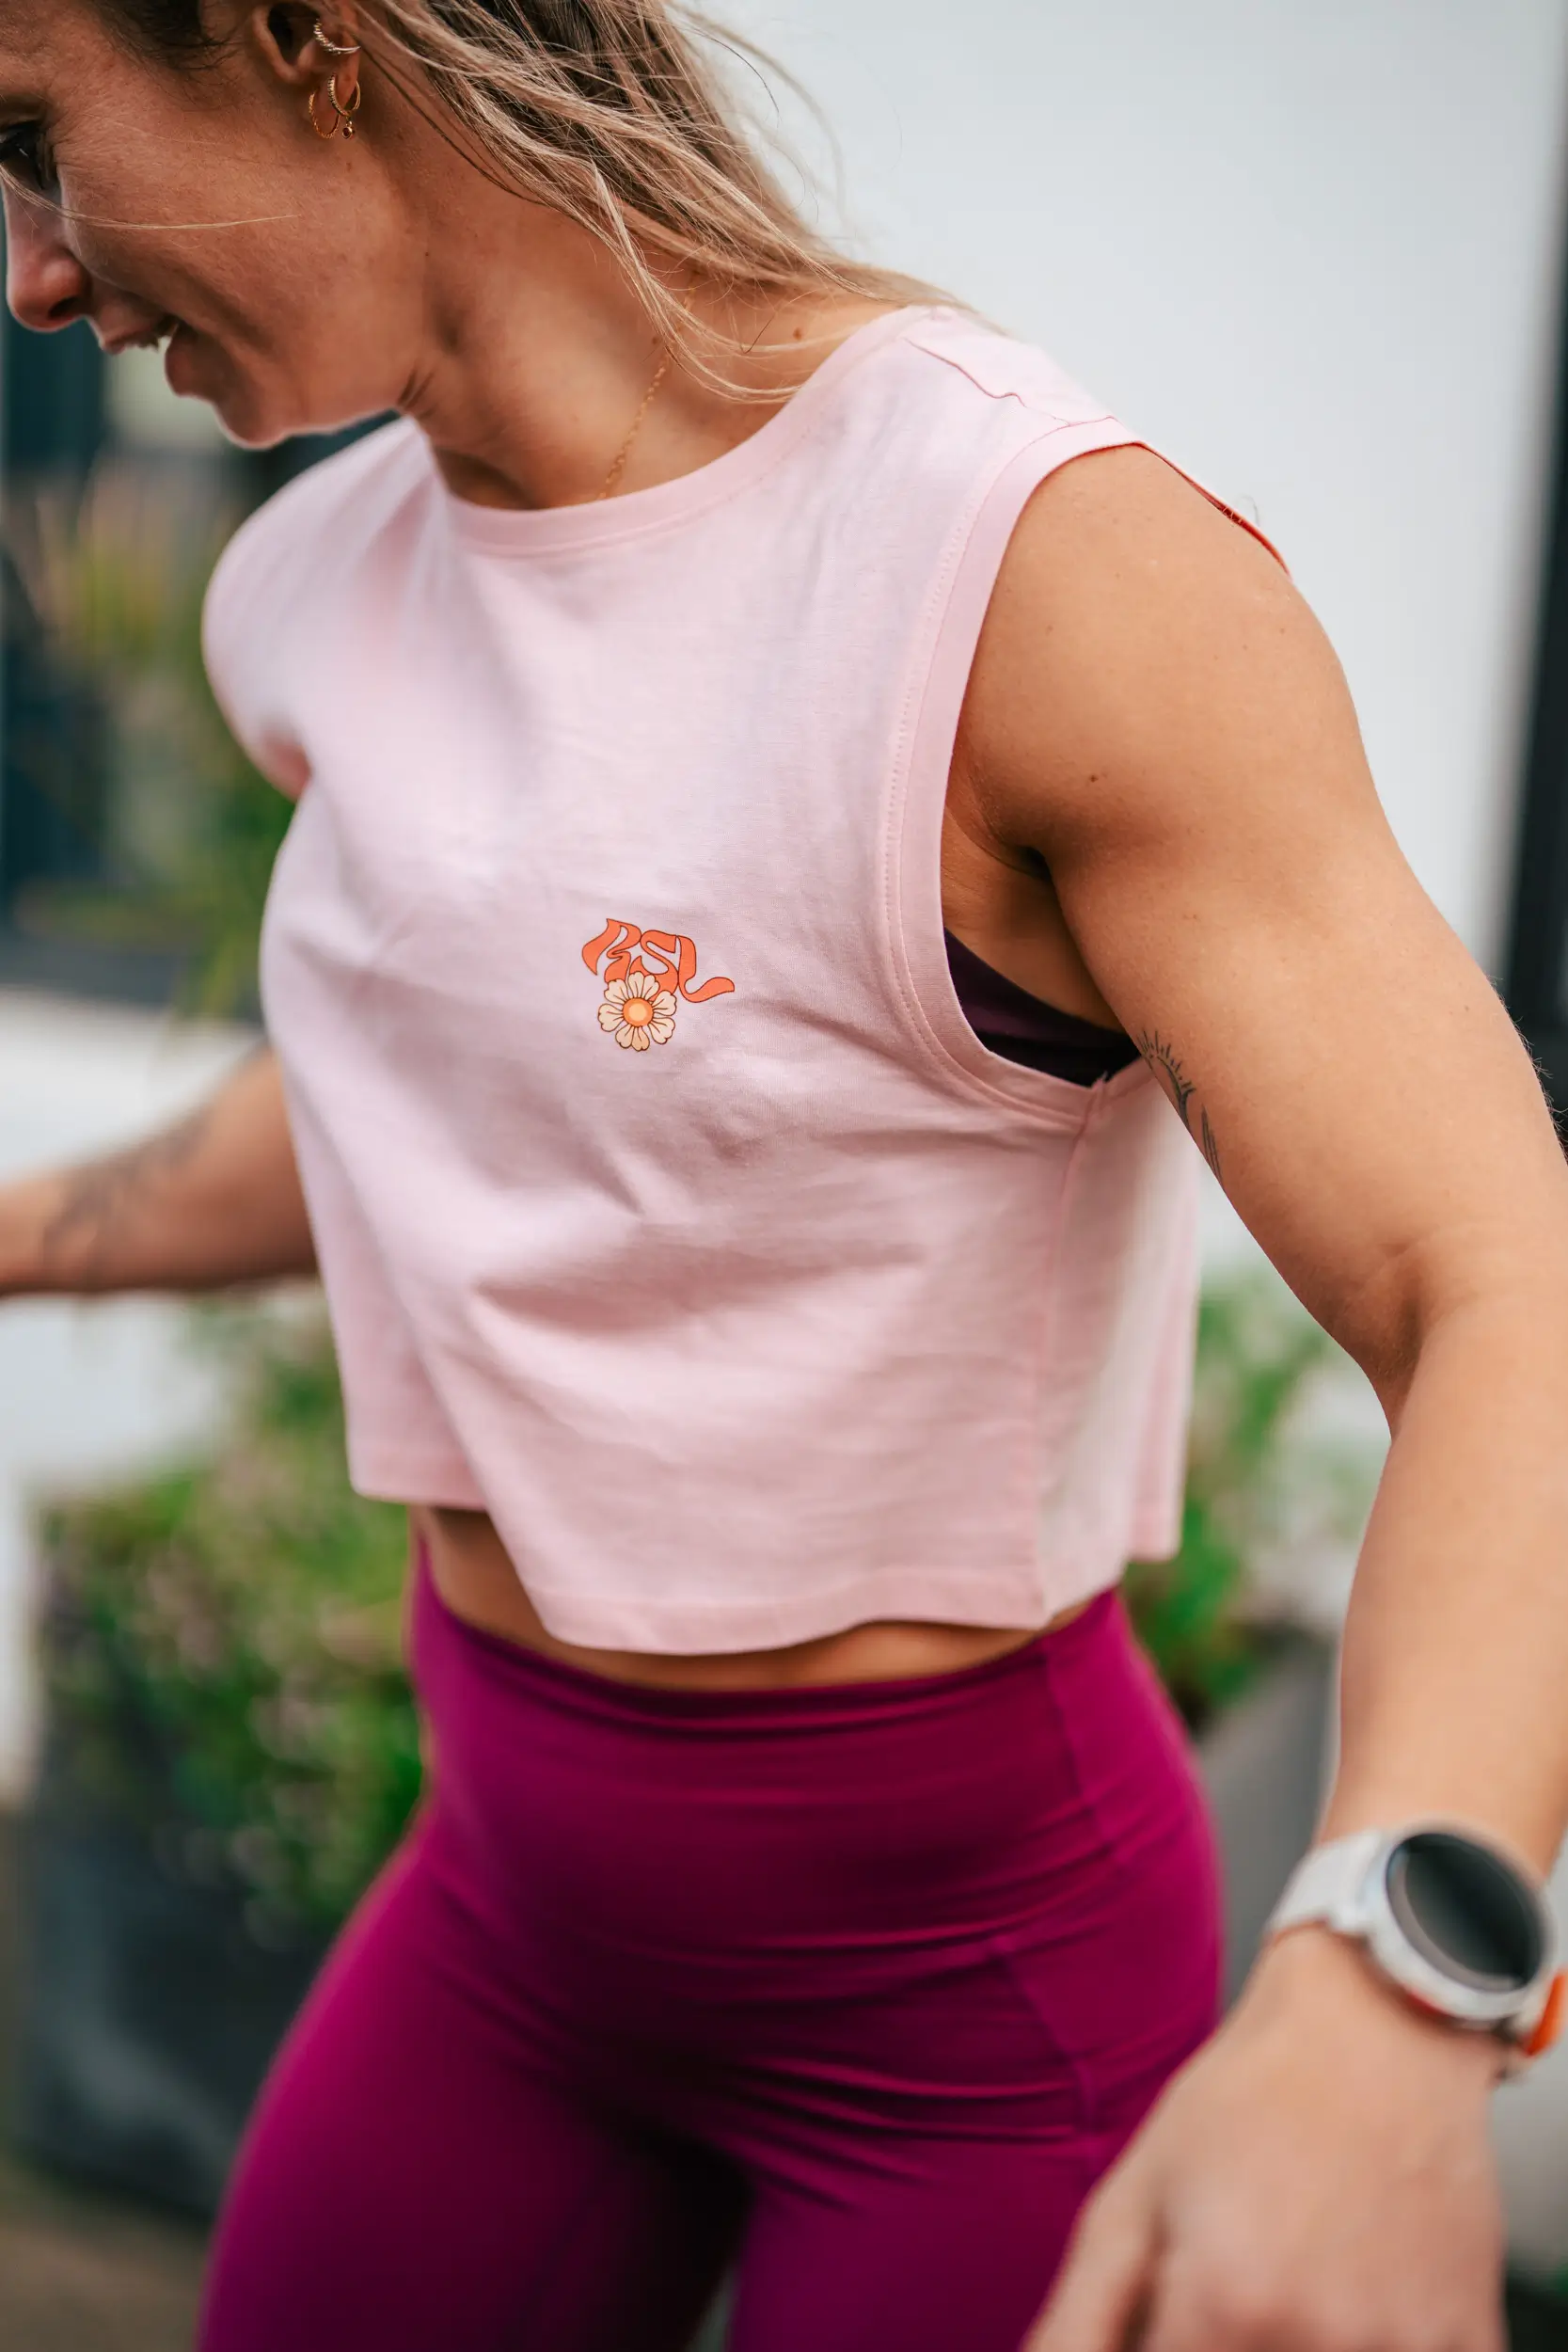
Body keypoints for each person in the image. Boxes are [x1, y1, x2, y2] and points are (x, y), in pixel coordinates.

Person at [0, 6, 1564, 2348]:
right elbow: (434, 1101)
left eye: (34, 140)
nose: (31, 275)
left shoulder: (1020, 572)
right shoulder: (317, 578)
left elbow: (1495, 1288)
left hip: (963, 2009)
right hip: (503, 1906)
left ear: (305, 36)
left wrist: (1383, 1991)